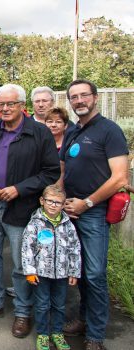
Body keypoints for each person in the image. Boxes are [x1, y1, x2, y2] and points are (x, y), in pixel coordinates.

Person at [0, 84, 60, 339]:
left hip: (21, 206)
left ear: (23, 106)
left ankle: (23, 312)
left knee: (22, 263)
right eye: (2, 104)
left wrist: (19, 189)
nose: (5, 108)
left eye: (11, 104)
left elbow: (51, 172)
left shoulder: (39, 133)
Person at [60, 79, 129, 350]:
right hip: (70, 210)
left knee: (95, 273)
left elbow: (120, 178)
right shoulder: (72, 131)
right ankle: (83, 318)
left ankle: (96, 336)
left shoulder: (109, 131)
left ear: (95, 98)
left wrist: (86, 203)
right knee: (78, 270)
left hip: (93, 212)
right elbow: (64, 172)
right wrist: (57, 196)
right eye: (74, 97)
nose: (79, 101)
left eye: (84, 96)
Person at [21, 184, 81, 350]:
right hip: (41, 274)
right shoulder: (35, 223)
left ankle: (57, 333)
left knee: (59, 305)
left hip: (61, 274)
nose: (53, 205)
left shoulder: (67, 224)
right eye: (50, 201)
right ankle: (43, 334)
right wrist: (30, 271)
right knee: (41, 304)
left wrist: (74, 271)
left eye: (58, 202)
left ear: (63, 205)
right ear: (42, 201)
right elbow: (27, 248)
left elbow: (74, 248)